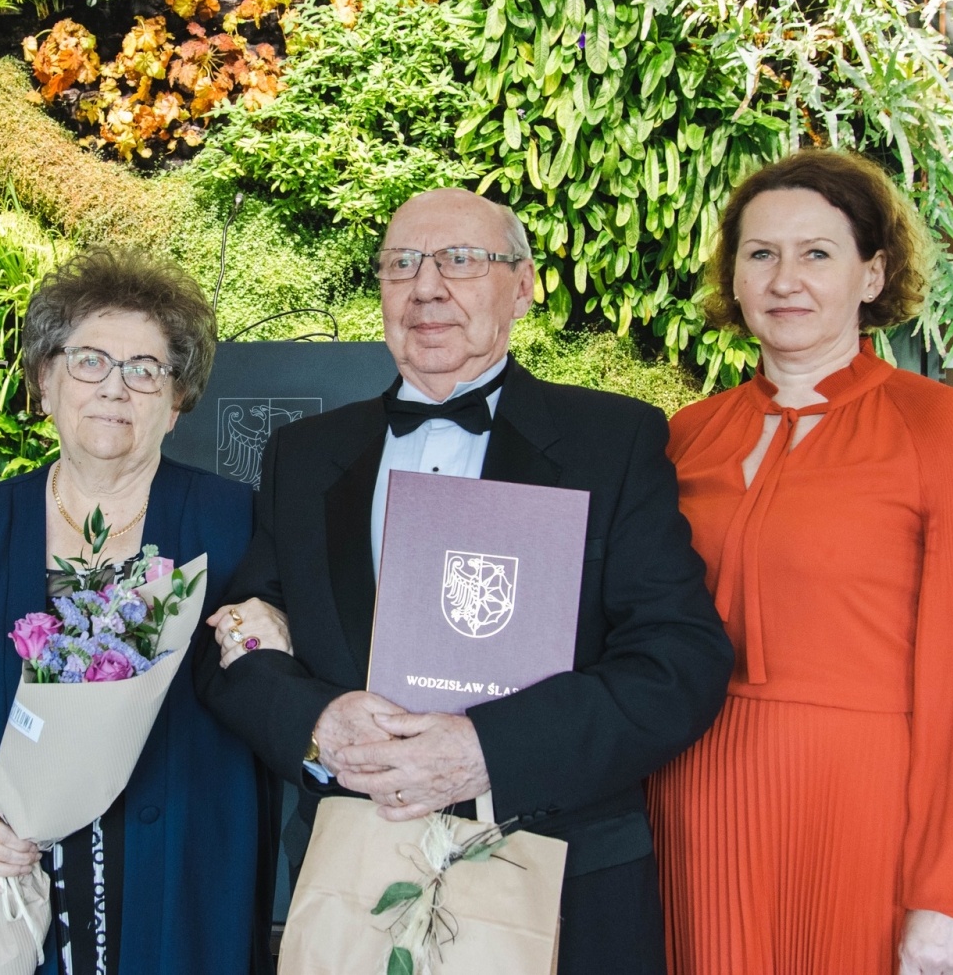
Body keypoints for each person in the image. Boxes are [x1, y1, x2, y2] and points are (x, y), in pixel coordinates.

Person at [195, 187, 734, 975]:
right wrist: (319, 726)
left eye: (462, 261)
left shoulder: (611, 441)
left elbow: (680, 664)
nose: (426, 287)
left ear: (521, 287)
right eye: (401, 264)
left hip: (559, 883)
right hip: (352, 878)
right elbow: (233, 651)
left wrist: (492, 749)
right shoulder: (303, 455)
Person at [648, 149, 953, 975]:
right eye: (761, 254)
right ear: (735, 278)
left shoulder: (945, 433)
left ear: (872, 275)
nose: (786, 278)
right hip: (691, 808)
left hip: (866, 812)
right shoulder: (684, 437)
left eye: (817, 253)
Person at [0, 247, 273, 975]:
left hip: (183, 895)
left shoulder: (238, 526)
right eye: (88, 362)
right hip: (9, 892)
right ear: (43, 381)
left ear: (177, 401)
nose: (116, 389)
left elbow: (287, 688)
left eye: (146, 369)